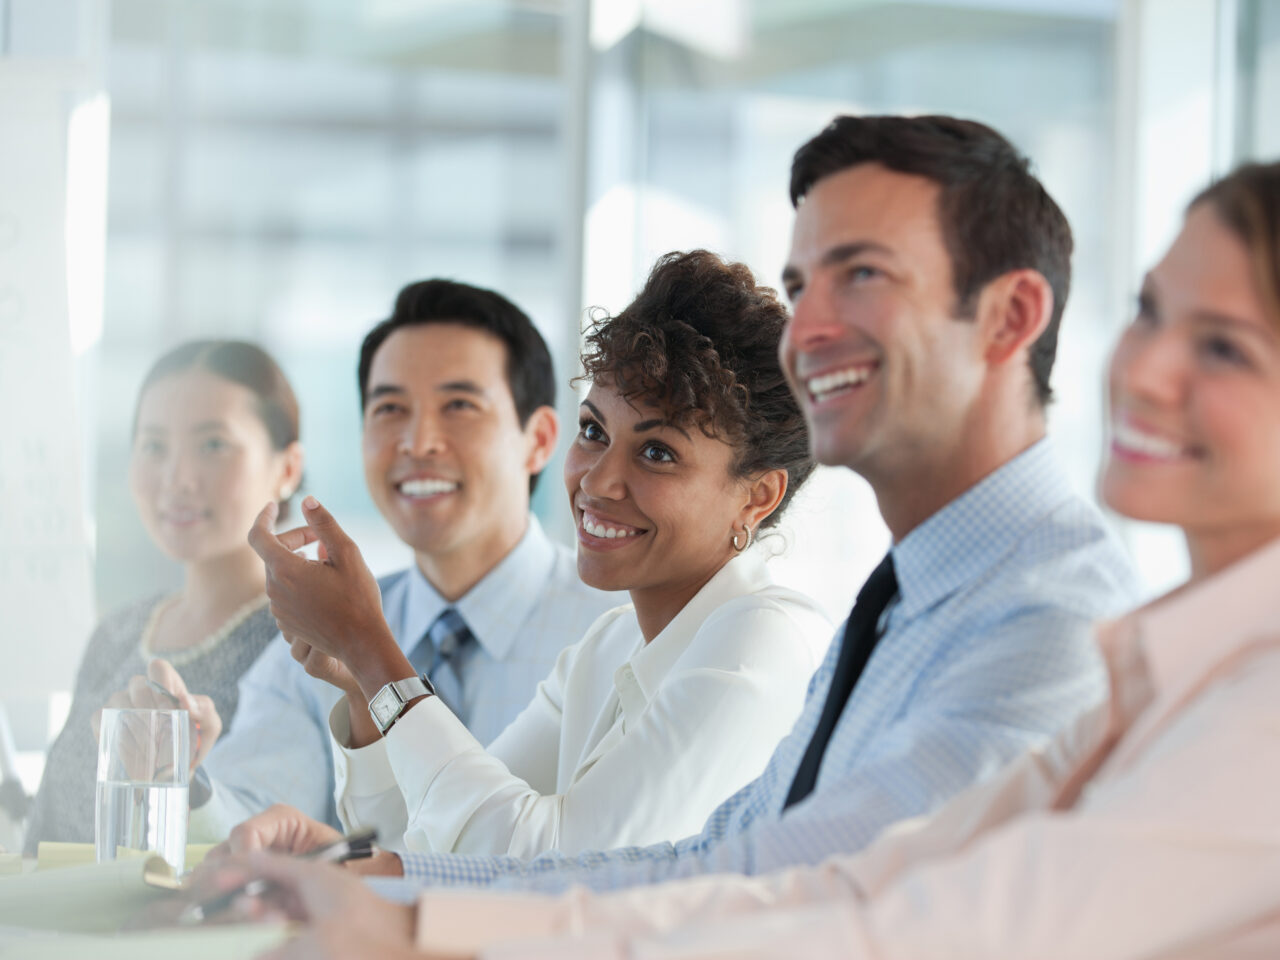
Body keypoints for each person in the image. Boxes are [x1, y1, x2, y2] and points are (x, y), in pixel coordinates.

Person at [249, 153, 1280, 960]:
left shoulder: (784, 639)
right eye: (1145, 312)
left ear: (759, 499)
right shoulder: (1144, 668)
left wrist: (379, 678)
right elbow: (799, 881)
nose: (1139, 369)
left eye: (1223, 346)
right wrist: (378, 879)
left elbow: (898, 932)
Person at [242, 250, 831, 860]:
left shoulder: (764, 640)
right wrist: (365, 689)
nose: (598, 482)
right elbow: (434, 850)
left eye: (657, 452)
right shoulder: (606, 649)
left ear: (757, 496)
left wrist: (371, 649)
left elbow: (554, 863)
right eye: (595, 431)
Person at [171, 280, 622, 841]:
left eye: (459, 405)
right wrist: (183, 779)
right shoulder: (314, 641)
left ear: (540, 438)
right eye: (389, 408)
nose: (417, 441)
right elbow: (255, 822)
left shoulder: (615, 632)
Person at [23, 340, 304, 852]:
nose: (176, 479)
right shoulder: (118, 632)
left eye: (213, 445)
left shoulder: (304, 643)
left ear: (287, 469)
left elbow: (282, 852)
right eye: (154, 446)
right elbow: (42, 837)